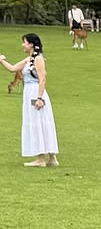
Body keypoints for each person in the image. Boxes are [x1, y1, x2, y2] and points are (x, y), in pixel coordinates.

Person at [0, 32, 59, 166]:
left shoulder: (38, 59)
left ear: (31, 44)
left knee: (38, 122)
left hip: (36, 93)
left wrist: (39, 98)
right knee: (40, 122)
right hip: (30, 93)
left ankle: (41, 158)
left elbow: (42, 78)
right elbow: (13, 68)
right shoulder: (28, 60)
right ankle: (51, 158)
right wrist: (2, 60)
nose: (23, 45)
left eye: (24, 42)